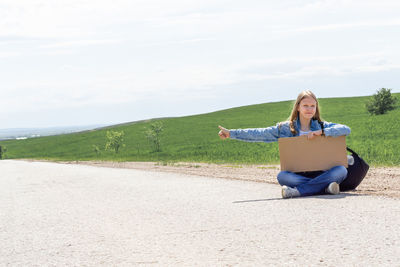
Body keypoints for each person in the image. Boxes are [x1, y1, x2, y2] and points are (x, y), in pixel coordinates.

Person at [218, 90, 350, 199]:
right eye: (305, 105)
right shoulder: (285, 128)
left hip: (322, 172)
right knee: (282, 176)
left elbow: (345, 129)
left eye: (312, 106)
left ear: (316, 108)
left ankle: (299, 191)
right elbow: (259, 133)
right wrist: (231, 133)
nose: (309, 109)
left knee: (341, 170)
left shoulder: (321, 125)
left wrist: (322, 132)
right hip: (298, 175)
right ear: (298, 107)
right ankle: (325, 187)